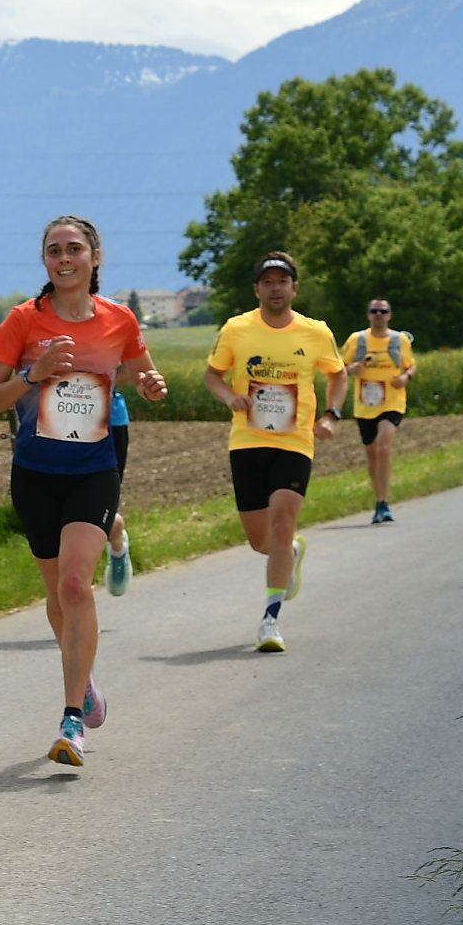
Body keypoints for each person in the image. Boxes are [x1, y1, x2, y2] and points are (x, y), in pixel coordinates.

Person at [0, 214, 168, 767]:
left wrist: (151, 385)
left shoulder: (118, 319)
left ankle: (70, 721)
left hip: (94, 467)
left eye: (74, 249)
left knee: (74, 585)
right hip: (36, 472)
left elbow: (142, 373)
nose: (64, 258)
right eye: (54, 250)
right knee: (56, 594)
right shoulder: (23, 320)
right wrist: (33, 374)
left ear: (95, 257)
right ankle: (83, 683)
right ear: (45, 260)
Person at [204, 253, 342, 651]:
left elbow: (338, 374)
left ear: (294, 288)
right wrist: (229, 397)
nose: (275, 288)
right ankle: (291, 552)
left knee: (283, 522)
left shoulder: (315, 332)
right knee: (261, 541)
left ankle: (271, 620)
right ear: (257, 290)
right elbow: (212, 375)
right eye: (268, 282)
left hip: (294, 441)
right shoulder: (237, 328)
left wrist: (331, 414)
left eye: (282, 281)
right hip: (247, 441)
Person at [333, 297, 413, 523]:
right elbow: (338, 369)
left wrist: (406, 377)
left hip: (392, 402)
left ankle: (384, 503)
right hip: (366, 405)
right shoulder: (357, 340)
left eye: (383, 311)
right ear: (368, 315)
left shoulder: (399, 340)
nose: (379, 315)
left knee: (383, 447)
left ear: (389, 315)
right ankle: (379, 500)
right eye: (374, 311)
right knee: (372, 453)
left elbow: (411, 365)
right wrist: (352, 369)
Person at [105, 386, 136, 597]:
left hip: (108, 421)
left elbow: (135, 371)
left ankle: (117, 543)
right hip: (51, 423)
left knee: (101, 510)